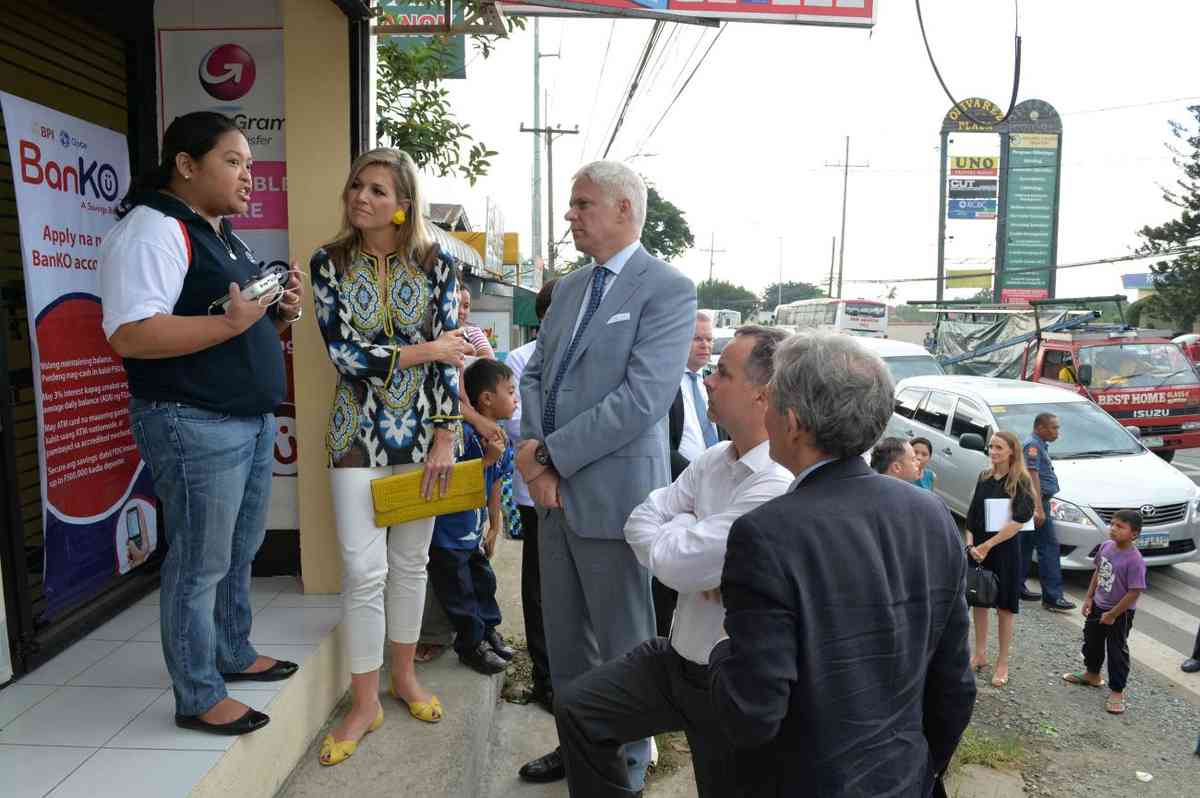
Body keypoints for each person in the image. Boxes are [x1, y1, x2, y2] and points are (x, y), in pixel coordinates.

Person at [98, 111, 303, 736]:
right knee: (199, 562)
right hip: (193, 421)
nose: (247, 176)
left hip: (243, 418)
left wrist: (278, 314)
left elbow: (230, 322)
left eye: (250, 164)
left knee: (238, 551)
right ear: (186, 165)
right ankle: (198, 693)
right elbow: (131, 334)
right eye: (232, 162)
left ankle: (232, 652)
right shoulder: (152, 229)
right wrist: (231, 323)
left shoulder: (220, 233)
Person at [708, 333, 975, 797]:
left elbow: (752, 713)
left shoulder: (767, 534)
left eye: (771, 401)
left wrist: (719, 653)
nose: (765, 413)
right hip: (905, 779)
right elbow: (954, 683)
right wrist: (924, 769)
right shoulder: (930, 514)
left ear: (792, 422)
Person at [516, 161, 696, 785]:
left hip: (614, 497)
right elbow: (535, 375)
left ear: (624, 209)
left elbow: (642, 399)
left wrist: (548, 457)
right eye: (572, 204)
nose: (570, 215)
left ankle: (627, 766)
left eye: (582, 203)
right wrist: (535, 454)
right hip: (553, 496)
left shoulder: (667, 289)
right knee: (565, 639)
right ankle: (579, 750)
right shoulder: (569, 289)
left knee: (623, 642)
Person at [555, 326, 792, 797]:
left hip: (729, 682)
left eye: (723, 373)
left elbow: (679, 564)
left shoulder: (776, 482)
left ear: (762, 395)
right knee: (579, 708)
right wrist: (694, 538)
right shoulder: (714, 459)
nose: (708, 380)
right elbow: (641, 522)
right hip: (676, 659)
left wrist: (688, 538)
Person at [310, 147, 474, 766]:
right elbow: (344, 355)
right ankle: (363, 703)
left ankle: (403, 680)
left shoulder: (438, 263)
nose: (361, 197)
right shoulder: (329, 262)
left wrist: (446, 435)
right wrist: (425, 349)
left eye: (378, 190)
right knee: (362, 569)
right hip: (355, 433)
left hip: (422, 436)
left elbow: (454, 359)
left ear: (404, 204)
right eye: (357, 184)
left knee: (410, 563)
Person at [427, 359, 517, 675]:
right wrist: (487, 459)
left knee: (483, 583)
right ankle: (471, 646)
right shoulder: (462, 435)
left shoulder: (502, 437)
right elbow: (451, 482)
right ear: (487, 399)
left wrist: (494, 526)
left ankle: (488, 631)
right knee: (460, 593)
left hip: (473, 533)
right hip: (448, 535)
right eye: (510, 391)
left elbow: (495, 483)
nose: (516, 398)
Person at [502, 278, 558, 713]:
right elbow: (517, 424)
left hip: (578, 487)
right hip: (535, 489)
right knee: (539, 586)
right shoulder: (521, 360)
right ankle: (546, 679)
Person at [656, 310, 717, 637]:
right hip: (678, 491)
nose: (705, 346)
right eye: (697, 339)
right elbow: (661, 446)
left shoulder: (709, 384)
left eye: (709, 339)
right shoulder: (665, 382)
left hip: (714, 494)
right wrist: (696, 478)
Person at [965, 431, 1036, 689]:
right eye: (991, 447)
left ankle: (1002, 662)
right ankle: (980, 654)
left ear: (1011, 451)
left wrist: (988, 545)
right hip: (978, 549)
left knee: (1005, 607)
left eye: (999, 447)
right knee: (979, 600)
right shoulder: (983, 477)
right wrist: (971, 545)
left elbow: (1019, 520)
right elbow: (972, 515)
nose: (993, 452)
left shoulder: (1020, 481)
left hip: (1004, 550)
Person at [1062, 510, 1146, 715]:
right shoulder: (1106, 546)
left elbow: (1134, 592)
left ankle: (1117, 691)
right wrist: (1089, 597)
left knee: (1117, 651)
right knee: (1091, 641)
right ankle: (1092, 674)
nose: (1114, 529)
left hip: (1119, 613)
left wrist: (1113, 614)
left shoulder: (1135, 560)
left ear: (1134, 533)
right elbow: (1098, 571)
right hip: (1098, 605)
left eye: (1120, 527)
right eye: (1112, 524)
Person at [1022, 413, 1075, 611]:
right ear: (1040, 428)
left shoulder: (1039, 444)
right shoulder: (1033, 445)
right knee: (1049, 548)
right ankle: (1053, 597)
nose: (1057, 432)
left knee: (1025, 546)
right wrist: (1038, 507)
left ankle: (1016, 587)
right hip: (1037, 503)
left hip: (1036, 502)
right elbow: (1032, 475)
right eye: (1054, 428)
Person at [458, 285, 496, 359]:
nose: (461, 311)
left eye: (466, 306)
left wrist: (471, 353)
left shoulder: (472, 332)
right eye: (456, 304)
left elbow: (489, 360)